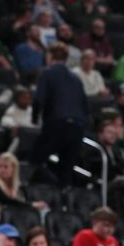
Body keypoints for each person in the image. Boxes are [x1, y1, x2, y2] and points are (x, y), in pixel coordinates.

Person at [31, 41, 88, 187]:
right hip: (77, 127)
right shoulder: (76, 78)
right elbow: (85, 106)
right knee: (66, 170)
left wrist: (34, 119)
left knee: (34, 161)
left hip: (57, 124)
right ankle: (63, 202)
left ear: (49, 56)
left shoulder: (47, 73)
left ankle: (44, 190)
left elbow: (38, 99)